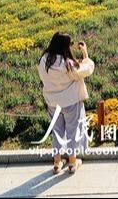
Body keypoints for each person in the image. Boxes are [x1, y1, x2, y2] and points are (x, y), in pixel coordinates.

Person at [37, 32, 94, 175]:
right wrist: (85, 55)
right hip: (70, 103)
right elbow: (86, 70)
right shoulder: (68, 64)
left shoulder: (44, 60)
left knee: (57, 132)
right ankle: (72, 163)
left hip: (52, 103)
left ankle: (57, 162)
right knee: (73, 132)